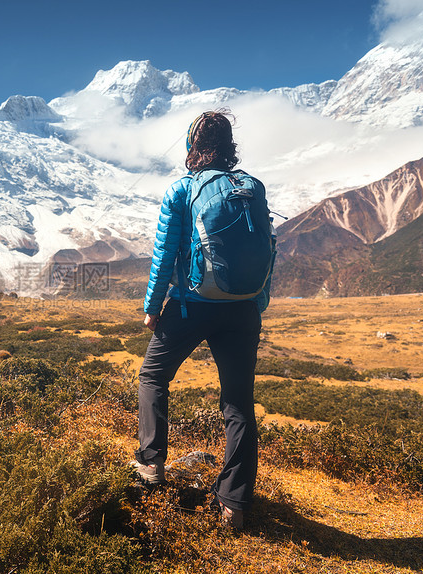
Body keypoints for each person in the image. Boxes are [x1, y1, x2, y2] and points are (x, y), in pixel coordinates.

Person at [131, 110, 274, 530]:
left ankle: (151, 465)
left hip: (192, 305)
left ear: (193, 145)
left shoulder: (182, 190)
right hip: (243, 309)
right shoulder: (253, 187)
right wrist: (256, 303)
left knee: (153, 376)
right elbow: (269, 248)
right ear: (230, 146)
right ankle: (234, 504)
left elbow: (164, 255)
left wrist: (152, 307)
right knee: (238, 402)